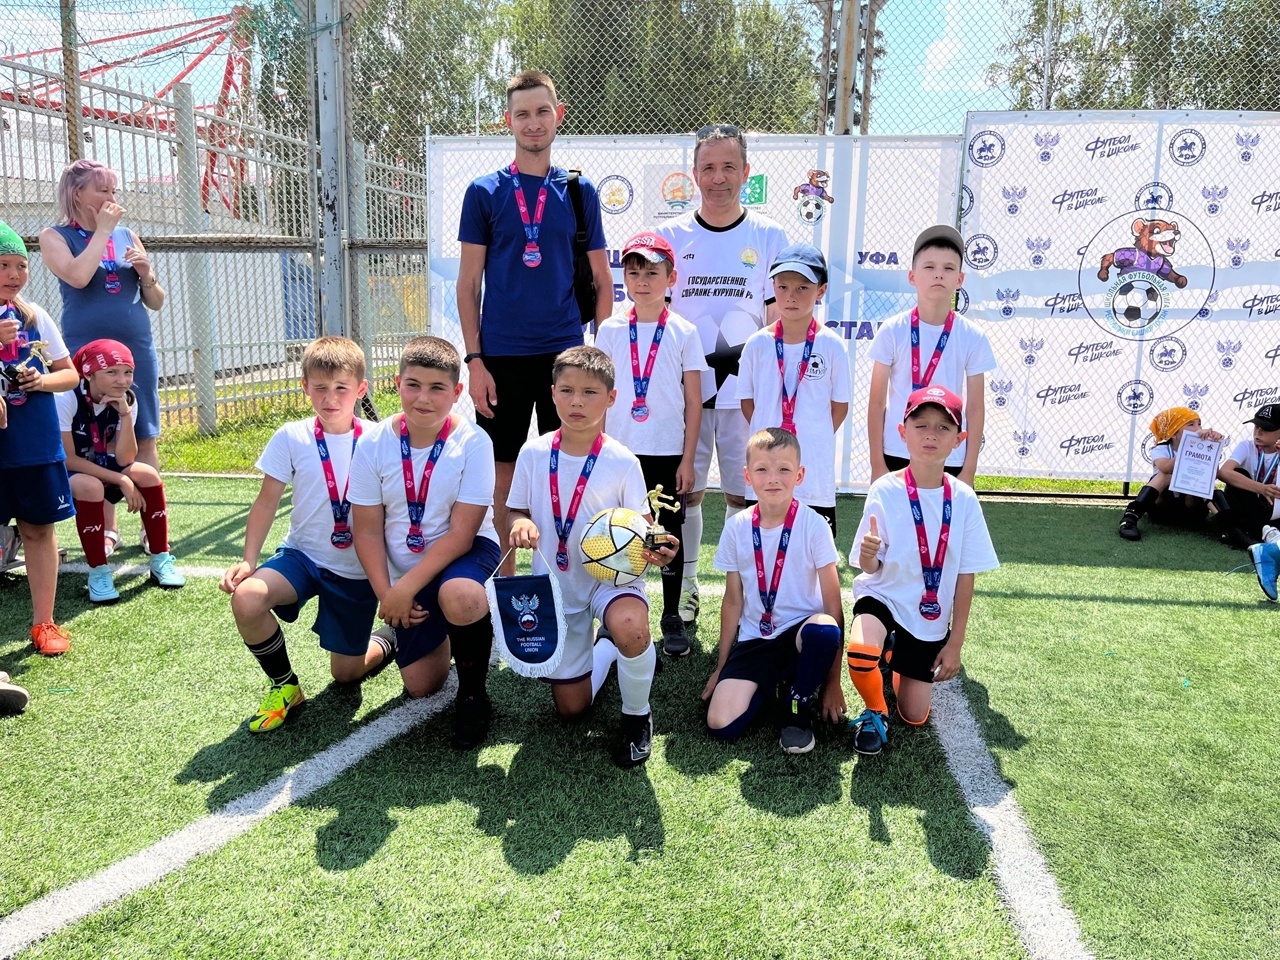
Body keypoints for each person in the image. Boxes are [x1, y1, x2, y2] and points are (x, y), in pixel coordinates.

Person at [458, 70, 614, 579]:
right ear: (508, 121)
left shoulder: (579, 191)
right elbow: (468, 283)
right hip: (500, 356)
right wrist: (475, 361)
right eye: (522, 114)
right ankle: (505, 585)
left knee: (567, 469)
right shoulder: (484, 192)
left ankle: (565, 582)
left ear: (558, 115)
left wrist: (599, 356)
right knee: (503, 472)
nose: (533, 123)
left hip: (565, 357)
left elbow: (602, 279)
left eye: (542, 111)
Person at [506, 346, 678, 768]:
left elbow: (643, 525)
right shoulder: (533, 454)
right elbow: (514, 510)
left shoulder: (622, 460)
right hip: (558, 585)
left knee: (631, 626)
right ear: (552, 393)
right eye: (567, 390)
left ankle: (637, 717)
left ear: (611, 398)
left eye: (590, 392)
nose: (577, 402)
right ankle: (606, 648)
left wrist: (659, 544)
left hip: (612, 579)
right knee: (572, 710)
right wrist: (519, 524)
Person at [654, 123, 789, 631]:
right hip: (683, 397)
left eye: (729, 166)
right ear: (693, 174)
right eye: (708, 167)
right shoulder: (670, 237)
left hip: (744, 398)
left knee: (744, 496)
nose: (718, 178)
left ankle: (744, 592)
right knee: (684, 495)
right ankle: (686, 590)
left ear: (746, 173)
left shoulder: (769, 236)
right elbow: (658, 317)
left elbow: (777, 320)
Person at [219, 337, 390, 733]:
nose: (330, 398)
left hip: (357, 570)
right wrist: (248, 559)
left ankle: (389, 639)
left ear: (361, 389)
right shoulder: (291, 436)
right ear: (305, 387)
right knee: (247, 598)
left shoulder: (379, 439)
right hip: (304, 556)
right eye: (320, 387)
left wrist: (392, 581)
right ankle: (284, 685)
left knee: (346, 675)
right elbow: (266, 503)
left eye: (341, 388)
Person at [348, 336, 501, 749]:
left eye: (437, 388)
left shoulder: (474, 442)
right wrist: (387, 594)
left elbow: (462, 534)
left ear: (457, 392)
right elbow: (366, 530)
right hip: (405, 572)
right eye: (413, 385)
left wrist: (405, 589)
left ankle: (474, 697)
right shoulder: (372, 443)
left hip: (465, 554)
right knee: (421, 687)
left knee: (460, 595)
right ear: (397, 383)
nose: (423, 398)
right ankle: (398, 633)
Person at [847, 385, 999, 755]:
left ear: (959, 440)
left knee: (915, 715)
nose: (931, 434)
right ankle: (875, 711)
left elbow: (966, 576)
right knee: (861, 652)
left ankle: (893, 656)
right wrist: (868, 554)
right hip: (882, 595)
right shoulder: (885, 489)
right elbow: (870, 567)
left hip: (927, 615)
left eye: (943, 427)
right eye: (921, 425)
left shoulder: (963, 499)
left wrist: (955, 643)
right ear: (902, 432)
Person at [594, 231, 706, 656]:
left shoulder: (684, 331)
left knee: (666, 533)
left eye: (652, 273)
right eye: (634, 272)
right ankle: (616, 611)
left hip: (668, 452)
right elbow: (599, 392)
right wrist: (598, 448)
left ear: (671, 278)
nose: (642, 281)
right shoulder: (610, 329)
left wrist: (688, 459)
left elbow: (694, 401)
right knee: (619, 531)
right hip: (619, 452)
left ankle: (671, 614)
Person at [702, 428, 845, 754]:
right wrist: (722, 666)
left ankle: (796, 705)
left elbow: (834, 609)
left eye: (783, 469)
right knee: (721, 724)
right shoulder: (737, 527)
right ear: (747, 476)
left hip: (801, 638)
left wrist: (832, 682)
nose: (773, 478)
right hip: (756, 640)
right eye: (762, 469)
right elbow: (733, 601)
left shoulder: (814, 526)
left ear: (799, 475)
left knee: (824, 629)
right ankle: (776, 686)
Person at [0, 221, 80, 655]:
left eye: (21, 265)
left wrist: (41, 381)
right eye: (3, 265)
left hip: (32, 443)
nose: (14, 274)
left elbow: (70, 374)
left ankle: (44, 622)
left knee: (37, 528)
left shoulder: (34, 316)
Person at [56, 338, 186, 603]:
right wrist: (121, 480)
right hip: (66, 470)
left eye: (128, 372)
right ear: (89, 374)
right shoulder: (66, 397)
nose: (122, 380)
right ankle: (98, 572)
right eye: (112, 372)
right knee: (90, 486)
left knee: (148, 474)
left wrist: (125, 415)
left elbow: (126, 457)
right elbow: (68, 459)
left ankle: (160, 559)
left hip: (101, 464)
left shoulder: (127, 399)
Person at [737, 243, 851, 539]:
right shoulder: (757, 344)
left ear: (821, 290)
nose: (791, 296)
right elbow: (748, 403)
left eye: (803, 288)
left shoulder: (832, 345)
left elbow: (839, 408)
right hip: (766, 470)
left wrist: (812, 435)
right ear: (773, 287)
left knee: (814, 551)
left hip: (813, 470)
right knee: (763, 548)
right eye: (783, 286)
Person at [866, 225, 995, 487]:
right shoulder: (892, 330)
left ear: (960, 280)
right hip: (897, 452)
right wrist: (877, 464)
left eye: (948, 268)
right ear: (912, 276)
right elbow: (877, 403)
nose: (939, 274)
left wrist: (969, 470)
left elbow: (975, 408)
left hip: (950, 455)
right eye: (929, 267)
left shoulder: (972, 336)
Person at [1118, 406, 1227, 541]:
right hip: (1163, 510)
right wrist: (1190, 447)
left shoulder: (1204, 447)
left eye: (1199, 424)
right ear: (1174, 434)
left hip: (1192, 512)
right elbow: (1165, 468)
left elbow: (1213, 475)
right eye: (1191, 424)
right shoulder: (1161, 449)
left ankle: (1231, 527)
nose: (1198, 428)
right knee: (1166, 476)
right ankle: (1129, 518)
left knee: (1203, 479)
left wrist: (1211, 447)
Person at [1216, 404, 1280, 549]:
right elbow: (1224, 472)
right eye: (1256, 426)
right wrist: (1261, 488)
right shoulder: (1247, 446)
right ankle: (1264, 532)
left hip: (1275, 511)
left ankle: (1256, 533)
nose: (1258, 432)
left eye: (1266, 428)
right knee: (1239, 473)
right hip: (1248, 509)